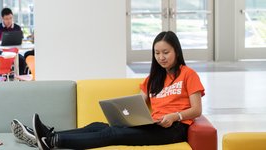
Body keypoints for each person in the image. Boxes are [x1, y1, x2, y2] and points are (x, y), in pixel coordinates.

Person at [12, 31, 205, 150]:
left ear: (176, 52)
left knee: (113, 134)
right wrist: (128, 115)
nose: (161, 57)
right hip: (153, 125)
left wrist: (174, 116)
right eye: (157, 53)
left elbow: (197, 110)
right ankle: (45, 133)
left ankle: (52, 141)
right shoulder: (153, 78)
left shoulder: (188, 74)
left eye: (166, 52)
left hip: (173, 129)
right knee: (98, 125)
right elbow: (137, 103)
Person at [0, 8, 27, 75]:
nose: (9, 21)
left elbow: (21, 41)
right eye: (7, 19)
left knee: (22, 61)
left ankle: (20, 79)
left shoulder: (17, 28)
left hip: (14, 53)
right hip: (2, 54)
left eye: (10, 18)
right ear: (2, 18)